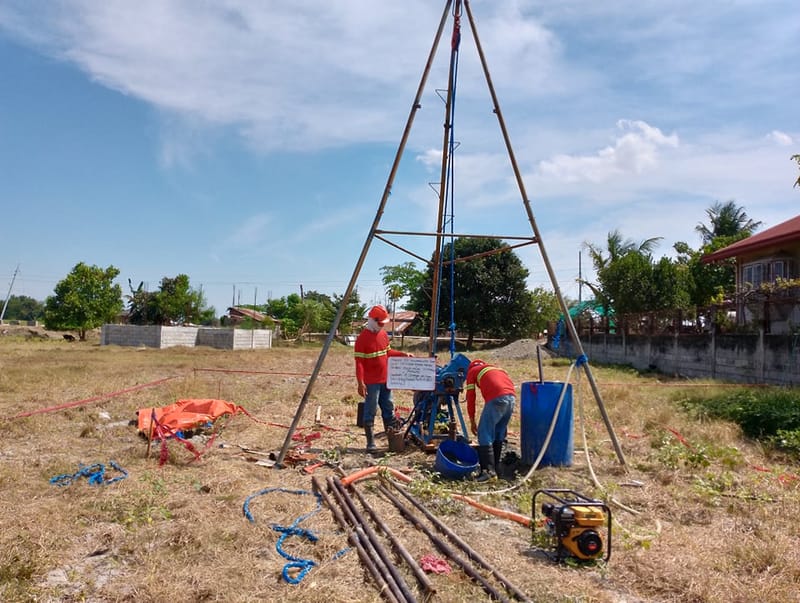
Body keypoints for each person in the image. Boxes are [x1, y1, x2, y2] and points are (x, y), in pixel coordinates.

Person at [354, 304, 412, 452]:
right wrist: (360, 383)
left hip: (386, 380)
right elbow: (359, 363)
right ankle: (370, 443)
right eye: (380, 323)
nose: (381, 326)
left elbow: (388, 352)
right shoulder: (362, 339)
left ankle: (391, 439)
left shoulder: (383, 335)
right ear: (372, 320)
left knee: (388, 407)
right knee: (370, 410)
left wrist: (403, 354)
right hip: (371, 382)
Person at [464, 358, 516, 482]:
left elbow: (471, 397)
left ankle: (487, 472)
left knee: (484, 432)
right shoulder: (497, 369)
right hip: (511, 399)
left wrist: (472, 420)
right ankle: (496, 469)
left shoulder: (472, 371)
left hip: (497, 398)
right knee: (498, 433)